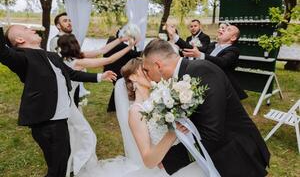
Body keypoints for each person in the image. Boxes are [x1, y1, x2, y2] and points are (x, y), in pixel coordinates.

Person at [0, 25, 116, 177]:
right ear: (20, 39)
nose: (32, 29)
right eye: (26, 29)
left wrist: (99, 77)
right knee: (58, 167)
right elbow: (2, 51)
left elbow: (71, 73)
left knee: (63, 160)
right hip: (46, 122)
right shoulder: (21, 57)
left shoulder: (52, 56)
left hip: (60, 119)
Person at [142, 39, 270, 177]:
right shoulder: (182, 76)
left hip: (238, 154)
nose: (147, 75)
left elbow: (212, 132)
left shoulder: (202, 71)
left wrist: (169, 160)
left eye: (146, 70)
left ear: (158, 65)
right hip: (219, 155)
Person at [76, 58, 206, 177]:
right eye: (144, 70)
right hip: (166, 170)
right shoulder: (136, 111)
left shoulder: (165, 98)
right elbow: (149, 160)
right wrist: (173, 134)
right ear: (133, 77)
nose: (150, 72)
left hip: (187, 157)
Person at [168, 24, 247, 100]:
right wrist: (174, 36)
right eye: (222, 28)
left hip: (220, 86)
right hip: (206, 81)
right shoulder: (212, 45)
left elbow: (222, 62)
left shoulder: (233, 50)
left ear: (233, 38)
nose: (222, 29)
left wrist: (200, 55)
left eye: (227, 30)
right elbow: (193, 48)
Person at [103, 29, 141, 112]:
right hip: (116, 71)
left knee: (117, 87)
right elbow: (135, 54)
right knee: (120, 87)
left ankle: (112, 108)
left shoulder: (111, 41)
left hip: (110, 69)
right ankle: (113, 107)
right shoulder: (121, 46)